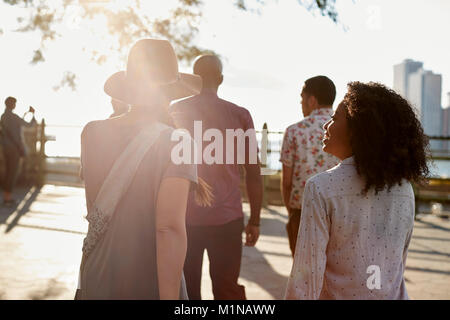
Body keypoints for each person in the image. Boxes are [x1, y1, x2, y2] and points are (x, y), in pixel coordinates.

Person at [76, 39, 212, 300]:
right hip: (149, 278)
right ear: (171, 91)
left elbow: (94, 210)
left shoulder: (91, 132)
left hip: (98, 272)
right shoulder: (179, 141)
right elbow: (168, 229)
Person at [285, 82, 430, 299]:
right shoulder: (404, 189)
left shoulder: (321, 187)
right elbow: (395, 270)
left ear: (358, 129)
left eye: (335, 118)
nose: (326, 125)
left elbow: (306, 279)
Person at [170, 54, 263, 300]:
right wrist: (254, 220)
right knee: (226, 289)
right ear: (220, 79)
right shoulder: (240, 115)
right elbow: (253, 173)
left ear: (194, 78)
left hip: (183, 218)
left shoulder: (175, 111)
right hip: (228, 218)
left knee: (187, 291)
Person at [280, 76, 339, 257]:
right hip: (338, 212)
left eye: (301, 98)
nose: (300, 103)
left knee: (302, 275)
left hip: (302, 211)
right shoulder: (347, 129)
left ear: (312, 100)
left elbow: (287, 182)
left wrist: (291, 213)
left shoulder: (294, 131)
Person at [0, 97, 37, 206]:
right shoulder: (14, 117)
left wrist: (26, 113)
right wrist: (33, 115)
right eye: (15, 103)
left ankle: (6, 197)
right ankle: (8, 198)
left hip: (5, 148)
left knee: (8, 172)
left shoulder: (3, 116)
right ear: (12, 105)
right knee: (12, 173)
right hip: (14, 149)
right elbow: (29, 125)